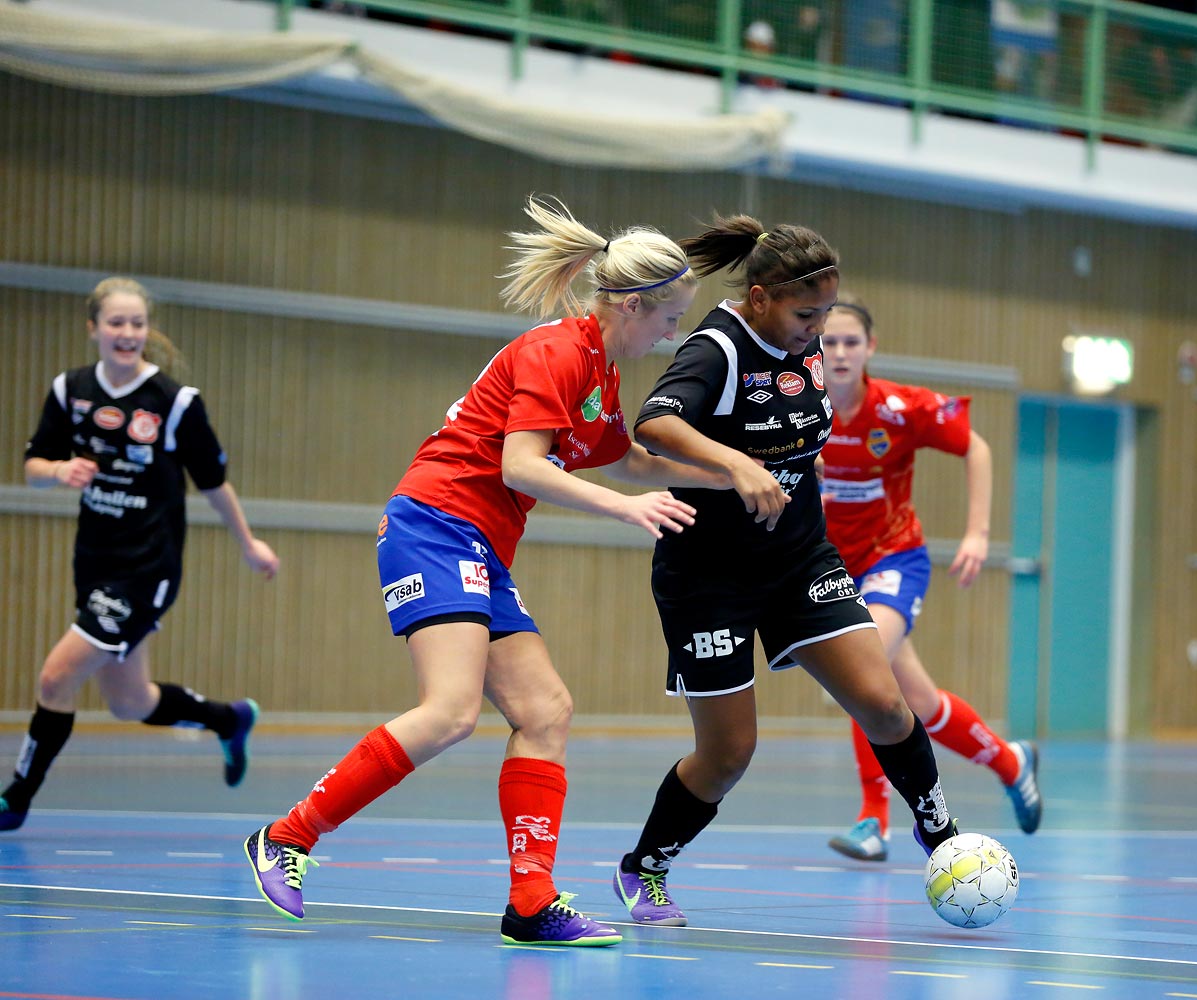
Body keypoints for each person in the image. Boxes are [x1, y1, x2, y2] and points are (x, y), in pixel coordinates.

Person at [242, 196, 724, 948]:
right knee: (450, 712)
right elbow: (521, 465)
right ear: (631, 306)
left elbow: (624, 456)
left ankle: (530, 902)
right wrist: (627, 511)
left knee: (545, 711)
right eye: (668, 320)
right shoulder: (555, 352)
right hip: (435, 525)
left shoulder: (599, 370)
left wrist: (732, 477)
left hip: (479, 548)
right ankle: (287, 837)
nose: (673, 335)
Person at [611, 215, 961, 928]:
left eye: (829, 314)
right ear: (763, 297)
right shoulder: (719, 348)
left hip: (800, 560)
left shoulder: (802, 348)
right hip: (709, 575)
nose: (820, 331)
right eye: (808, 315)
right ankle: (643, 867)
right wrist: (737, 464)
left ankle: (942, 837)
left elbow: (801, 437)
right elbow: (654, 423)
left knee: (887, 706)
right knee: (730, 753)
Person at [1, 277, 279, 832]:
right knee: (130, 702)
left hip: (146, 567)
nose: (127, 334)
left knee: (57, 679)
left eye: (137, 324)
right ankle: (228, 719)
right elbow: (33, 468)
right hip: (94, 561)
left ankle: (16, 799)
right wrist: (59, 472)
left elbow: (214, 483)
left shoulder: (174, 403)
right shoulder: (71, 391)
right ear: (94, 328)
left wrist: (247, 543)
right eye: (116, 323)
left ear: (146, 331)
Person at [817, 299, 1041, 863]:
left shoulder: (899, 408)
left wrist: (978, 532)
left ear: (870, 349)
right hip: (831, 569)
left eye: (850, 342)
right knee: (915, 698)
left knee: (861, 668)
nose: (839, 352)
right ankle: (1011, 762)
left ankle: (875, 820)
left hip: (894, 558)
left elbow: (977, 447)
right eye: (828, 341)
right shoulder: (799, 408)